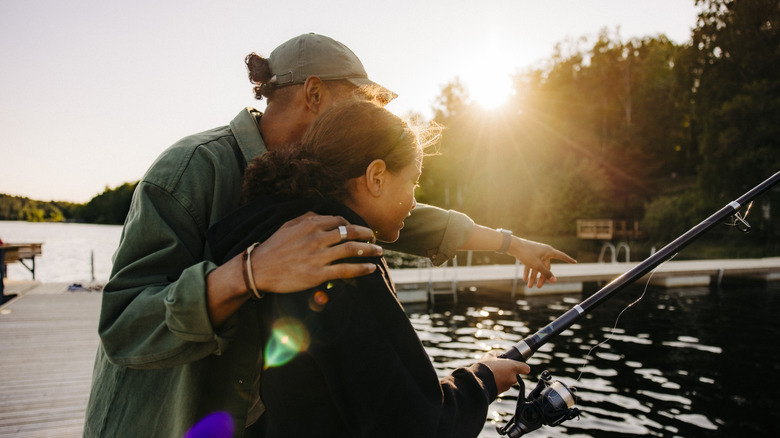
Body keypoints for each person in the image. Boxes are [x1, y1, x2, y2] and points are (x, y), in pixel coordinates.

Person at [84, 33, 574, 437]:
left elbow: (407, 216)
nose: (369, 119)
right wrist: (250, 272)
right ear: (314, 94)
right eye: (359, 104)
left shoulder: (322, 190)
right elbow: (124, 324)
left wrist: (512, 244)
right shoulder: (191, 169)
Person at [207, 99, 529, 437]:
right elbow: (415, 427)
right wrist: (484, 379)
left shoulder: (275, 237)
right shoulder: (346, 260)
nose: (414, 200)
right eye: (413, 182)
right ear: (376, 177)